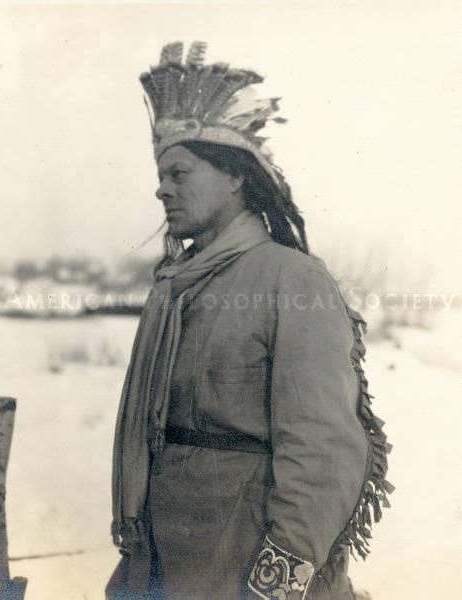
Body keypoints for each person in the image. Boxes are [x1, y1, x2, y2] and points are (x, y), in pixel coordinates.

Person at [106, 42, 393, 600]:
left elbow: (323, 451)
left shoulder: (293, 279)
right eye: (161, 174)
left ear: (235, 178)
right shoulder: (172, 288)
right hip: (163, 558)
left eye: (180, 172)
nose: (162, 188)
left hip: (242, 562)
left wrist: (277, 583)